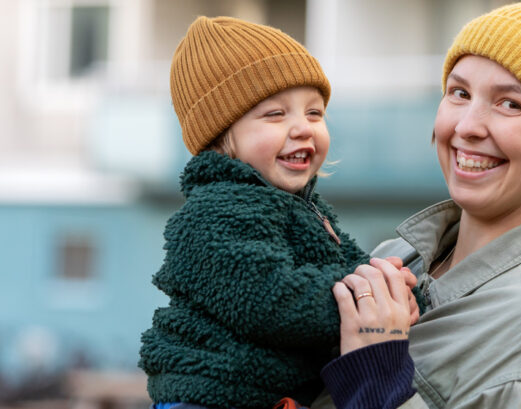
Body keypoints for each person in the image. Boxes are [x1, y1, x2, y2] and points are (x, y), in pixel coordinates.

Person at [313, 2, 521, 409]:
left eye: (510, 104)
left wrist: (375, 377)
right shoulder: (400, 256)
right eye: (460, 93)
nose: (466, 126)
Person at [137, 16, 419, 409]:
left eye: (314, 113)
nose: (303, 128)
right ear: (221, 138)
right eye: (275, 114)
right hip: (210, 396)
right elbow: (270, 299)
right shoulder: (213, 213)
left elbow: (350, 263)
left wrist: (395, 287)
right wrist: (365, 298)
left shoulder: (304, 208)